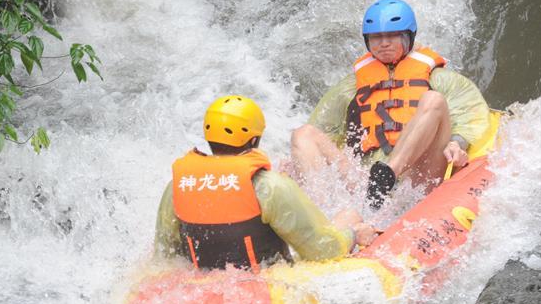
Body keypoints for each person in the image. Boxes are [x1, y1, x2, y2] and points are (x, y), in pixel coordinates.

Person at [290, 0, 491, 208]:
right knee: (303, 133)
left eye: (392, 35)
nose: (384, 43)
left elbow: (471, 117)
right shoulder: (350, 88)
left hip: (418, 176)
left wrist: (457, 143)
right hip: (364, 182)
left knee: (434, 100)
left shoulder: (440, 79)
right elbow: (323, 131)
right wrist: (296, 163)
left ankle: (388, 175)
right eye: (376, 37)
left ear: (409, 36)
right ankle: (322, 216)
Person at [154, 95, 377, 271]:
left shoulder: (177, 187)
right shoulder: (269, 186)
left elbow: (166, 254)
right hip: (268, 286)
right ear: (254, 139)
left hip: (208, 286)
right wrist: (354, 235)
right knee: (350, 216)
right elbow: (319, 250)